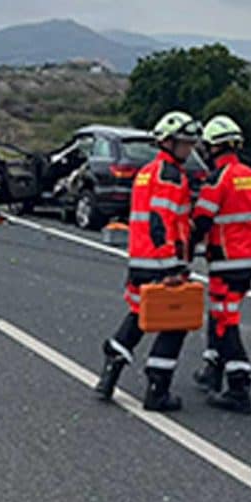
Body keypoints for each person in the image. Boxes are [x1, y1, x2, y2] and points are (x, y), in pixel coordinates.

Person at [95, 110, 200, 412]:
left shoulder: (147, 172)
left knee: (140, 314)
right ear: (167, 142)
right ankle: (158, 389)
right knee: (175, 322)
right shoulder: (169, 175)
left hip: (141, 259)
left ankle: (110, 372)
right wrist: (173, 265)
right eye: (184, 144)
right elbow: (161, 221)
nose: (189, 150)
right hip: (161, 262)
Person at [189, 115, 251, 414]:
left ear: (213, 148)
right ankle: (212, 369)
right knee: (219, 315)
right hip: (248, 262)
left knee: (225, 322)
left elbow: (200, 222)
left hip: (225, 262)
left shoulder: (217, 180)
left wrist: (183, 255)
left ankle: (239, 385)